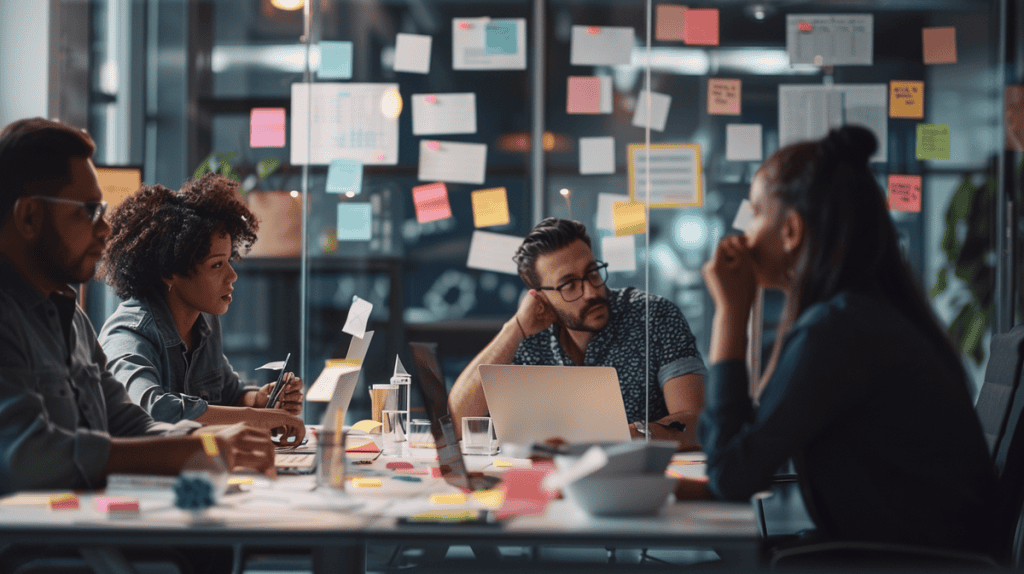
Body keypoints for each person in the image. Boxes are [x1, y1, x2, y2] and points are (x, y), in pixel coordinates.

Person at [692, 125, 995, 552]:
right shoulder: (856, 316)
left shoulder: (839, 329)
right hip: (904, 554)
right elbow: (744, 454)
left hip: (901, 563)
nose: (745, 232)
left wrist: (730, 313)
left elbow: (730, 477)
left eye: (757, 211)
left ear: (792, 231)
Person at [0, 117, 278, 494]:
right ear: (29, 216)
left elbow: (130, 424)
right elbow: (28, 457)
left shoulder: (72, 318)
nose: (106, 229)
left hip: (96, 533)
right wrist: (201, 447)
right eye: (88, 212)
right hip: (43, 550)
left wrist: (211, 444)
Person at [450, 217, 706, 448]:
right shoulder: (529, 335)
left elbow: (695, 423)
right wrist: (514, 329)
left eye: (592, 273)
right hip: (548, 479)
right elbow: (457, 424)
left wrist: (623, 436)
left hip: (639, 478)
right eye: (570, 285)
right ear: (541, 298)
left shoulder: (654, 316)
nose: (592, 292)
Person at [97, 175, 304, 440]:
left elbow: (228, 393)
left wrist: (259, 400)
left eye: (229, 260)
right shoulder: (129, 334)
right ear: (170, 271)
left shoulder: (204, 322)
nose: (232, 276)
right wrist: (259, 419)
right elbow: (151, 410)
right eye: (217, 265)